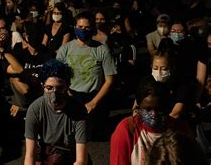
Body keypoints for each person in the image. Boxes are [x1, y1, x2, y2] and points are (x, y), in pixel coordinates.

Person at [56, 11, 116, 139]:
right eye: (80, 27)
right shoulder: (65, 49)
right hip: (71, 94)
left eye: (87, 27)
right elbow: (58, 77)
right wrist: (66, 94)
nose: (83, 30)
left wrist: (94, 102)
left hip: (93, 96)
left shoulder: (102, 50)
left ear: (93, 28)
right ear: (75, 27)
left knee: (92, 135)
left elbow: (109, 80)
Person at [110, 79, 192, 165]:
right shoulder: (126, 130)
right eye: (148, 109)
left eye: (159, 109)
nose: (154, 114)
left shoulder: (180, 129)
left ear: (168, 107)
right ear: (138, 108)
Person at [24, 59, 88, 165]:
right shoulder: (35, 109)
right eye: (49, 88)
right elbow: (30, 155)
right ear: (42, 86)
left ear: (67, 86)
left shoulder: (79, 111)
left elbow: (81, 160)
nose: (54, 95)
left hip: (71, 155)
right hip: (47, 154)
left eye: (60, 88)